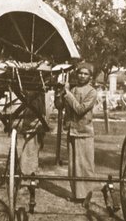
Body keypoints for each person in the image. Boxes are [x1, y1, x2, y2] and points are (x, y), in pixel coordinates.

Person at [54, 62, 97, 205]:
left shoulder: (92, 92)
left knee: (86, 166)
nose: (82, 76)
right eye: (80, 73)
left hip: (84, 132)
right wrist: (59, 92)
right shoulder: (71, 89)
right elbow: (60, 106)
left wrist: (68, 94)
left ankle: (87, 195)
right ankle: (76, 194)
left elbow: (80, 110)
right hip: (72, 131)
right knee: (73, 167)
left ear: (90, 77)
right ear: (76, 74)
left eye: (86, 74)